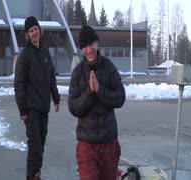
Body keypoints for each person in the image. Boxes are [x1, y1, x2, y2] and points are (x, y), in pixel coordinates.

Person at [68, 25, 126, 180]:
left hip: (109, 141)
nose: (89, 49)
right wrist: (90, 91)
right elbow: (73, 108)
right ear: (81, 49)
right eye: (85, 46)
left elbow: (120, 97)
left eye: (91, 44)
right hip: (86, 144)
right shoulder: (78, 73)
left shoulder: (109, 67)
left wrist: (100, 90)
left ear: (97, 43)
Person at [14, 16, 60, 180]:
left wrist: (56, 98)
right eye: (31, 31)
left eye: (36, 29)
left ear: (40, 30)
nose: (34, 33)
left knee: (40, 146)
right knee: (35, 147)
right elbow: (19, 83)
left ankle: (35, 174)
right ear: (27, 34)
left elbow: (51, 76)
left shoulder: (45, 51)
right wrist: (22, 109)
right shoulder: (25, 55)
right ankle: (32, 176)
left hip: (43, 108)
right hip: (31, 110)